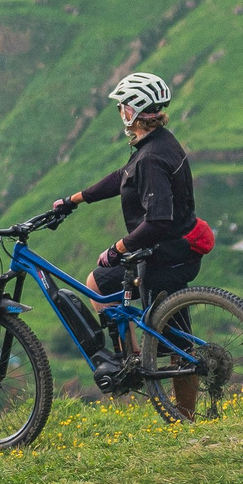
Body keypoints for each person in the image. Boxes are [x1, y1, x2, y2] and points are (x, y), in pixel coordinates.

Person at [51, 72, 200, 399]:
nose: (121, 111)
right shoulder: (160, 142)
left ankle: (136, 365)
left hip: (162, 256)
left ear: (135, 110)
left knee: (178, 347)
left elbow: (157, 221)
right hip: (179, 250)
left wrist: (118, 248)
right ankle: (134, 360)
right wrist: (75, 200)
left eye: (124, 106)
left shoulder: (150, 158)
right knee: (177, 341)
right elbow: (123, 177)